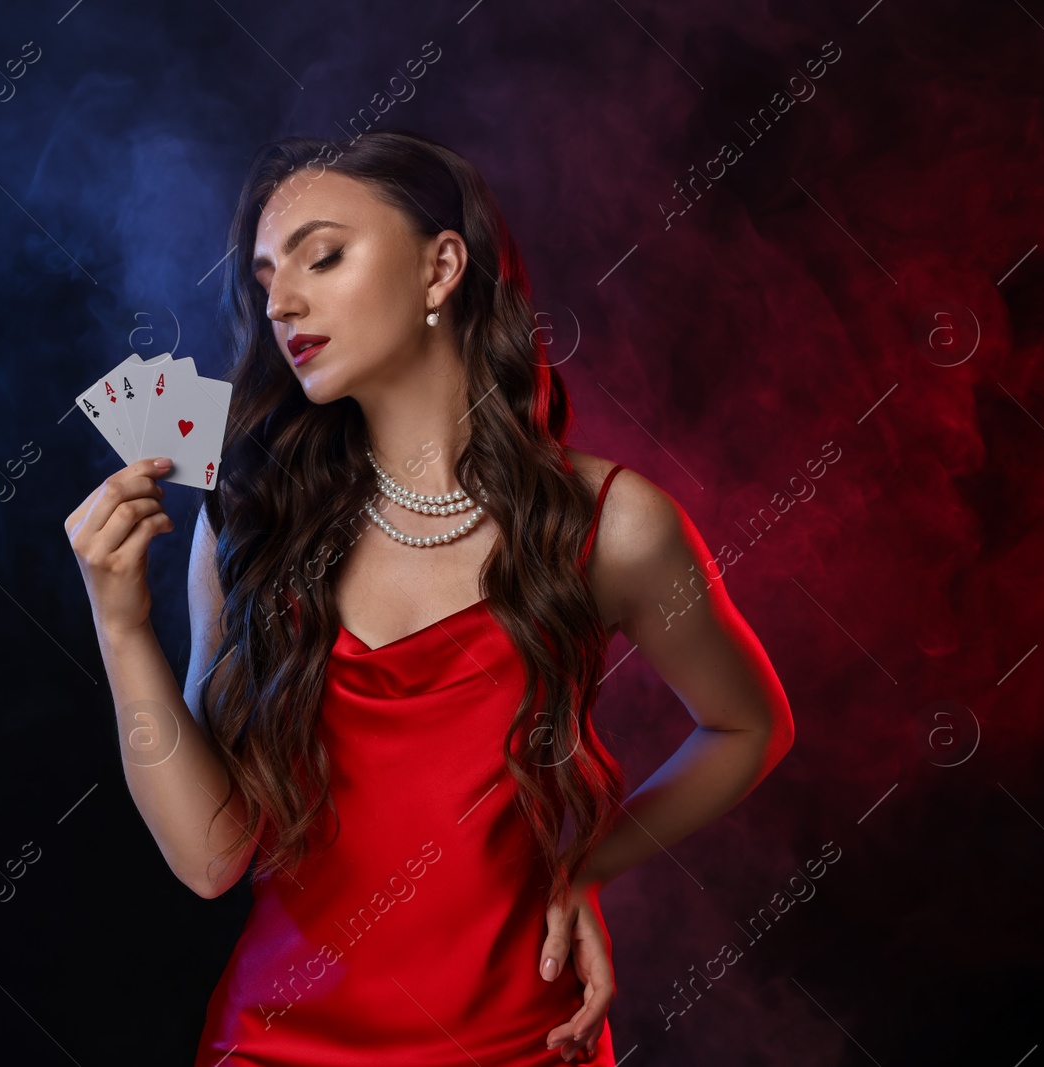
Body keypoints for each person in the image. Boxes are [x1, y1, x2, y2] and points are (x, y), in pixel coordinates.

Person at [65, 129, 795, 1065]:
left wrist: (591, 866)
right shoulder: (249, 521)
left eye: (322, 255)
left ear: (442, 266)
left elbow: (749, 725)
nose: (282, 300)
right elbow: (211, 859)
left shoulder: (613, 523)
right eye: (263, 276)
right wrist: (120, 625)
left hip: (522, 1044)